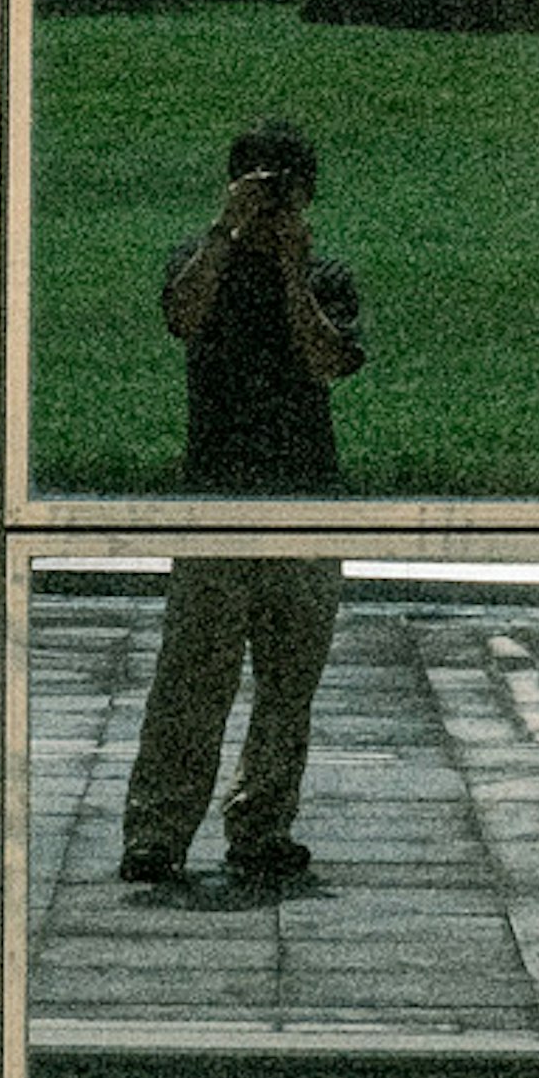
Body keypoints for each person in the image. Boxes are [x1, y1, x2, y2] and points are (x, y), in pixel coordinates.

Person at [116, 118, 364, 897]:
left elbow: (328, 360)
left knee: (291, 679)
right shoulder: (199, 260)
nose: (266, 202)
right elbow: (182, 315)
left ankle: (263, 825)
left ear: (309, 197)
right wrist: (226, 236)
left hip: (304, 495)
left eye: (279, 189)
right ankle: (157, 833)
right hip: (216, 495)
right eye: (253, 186)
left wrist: (290, 267)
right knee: (193, 673)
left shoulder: (327, 274)